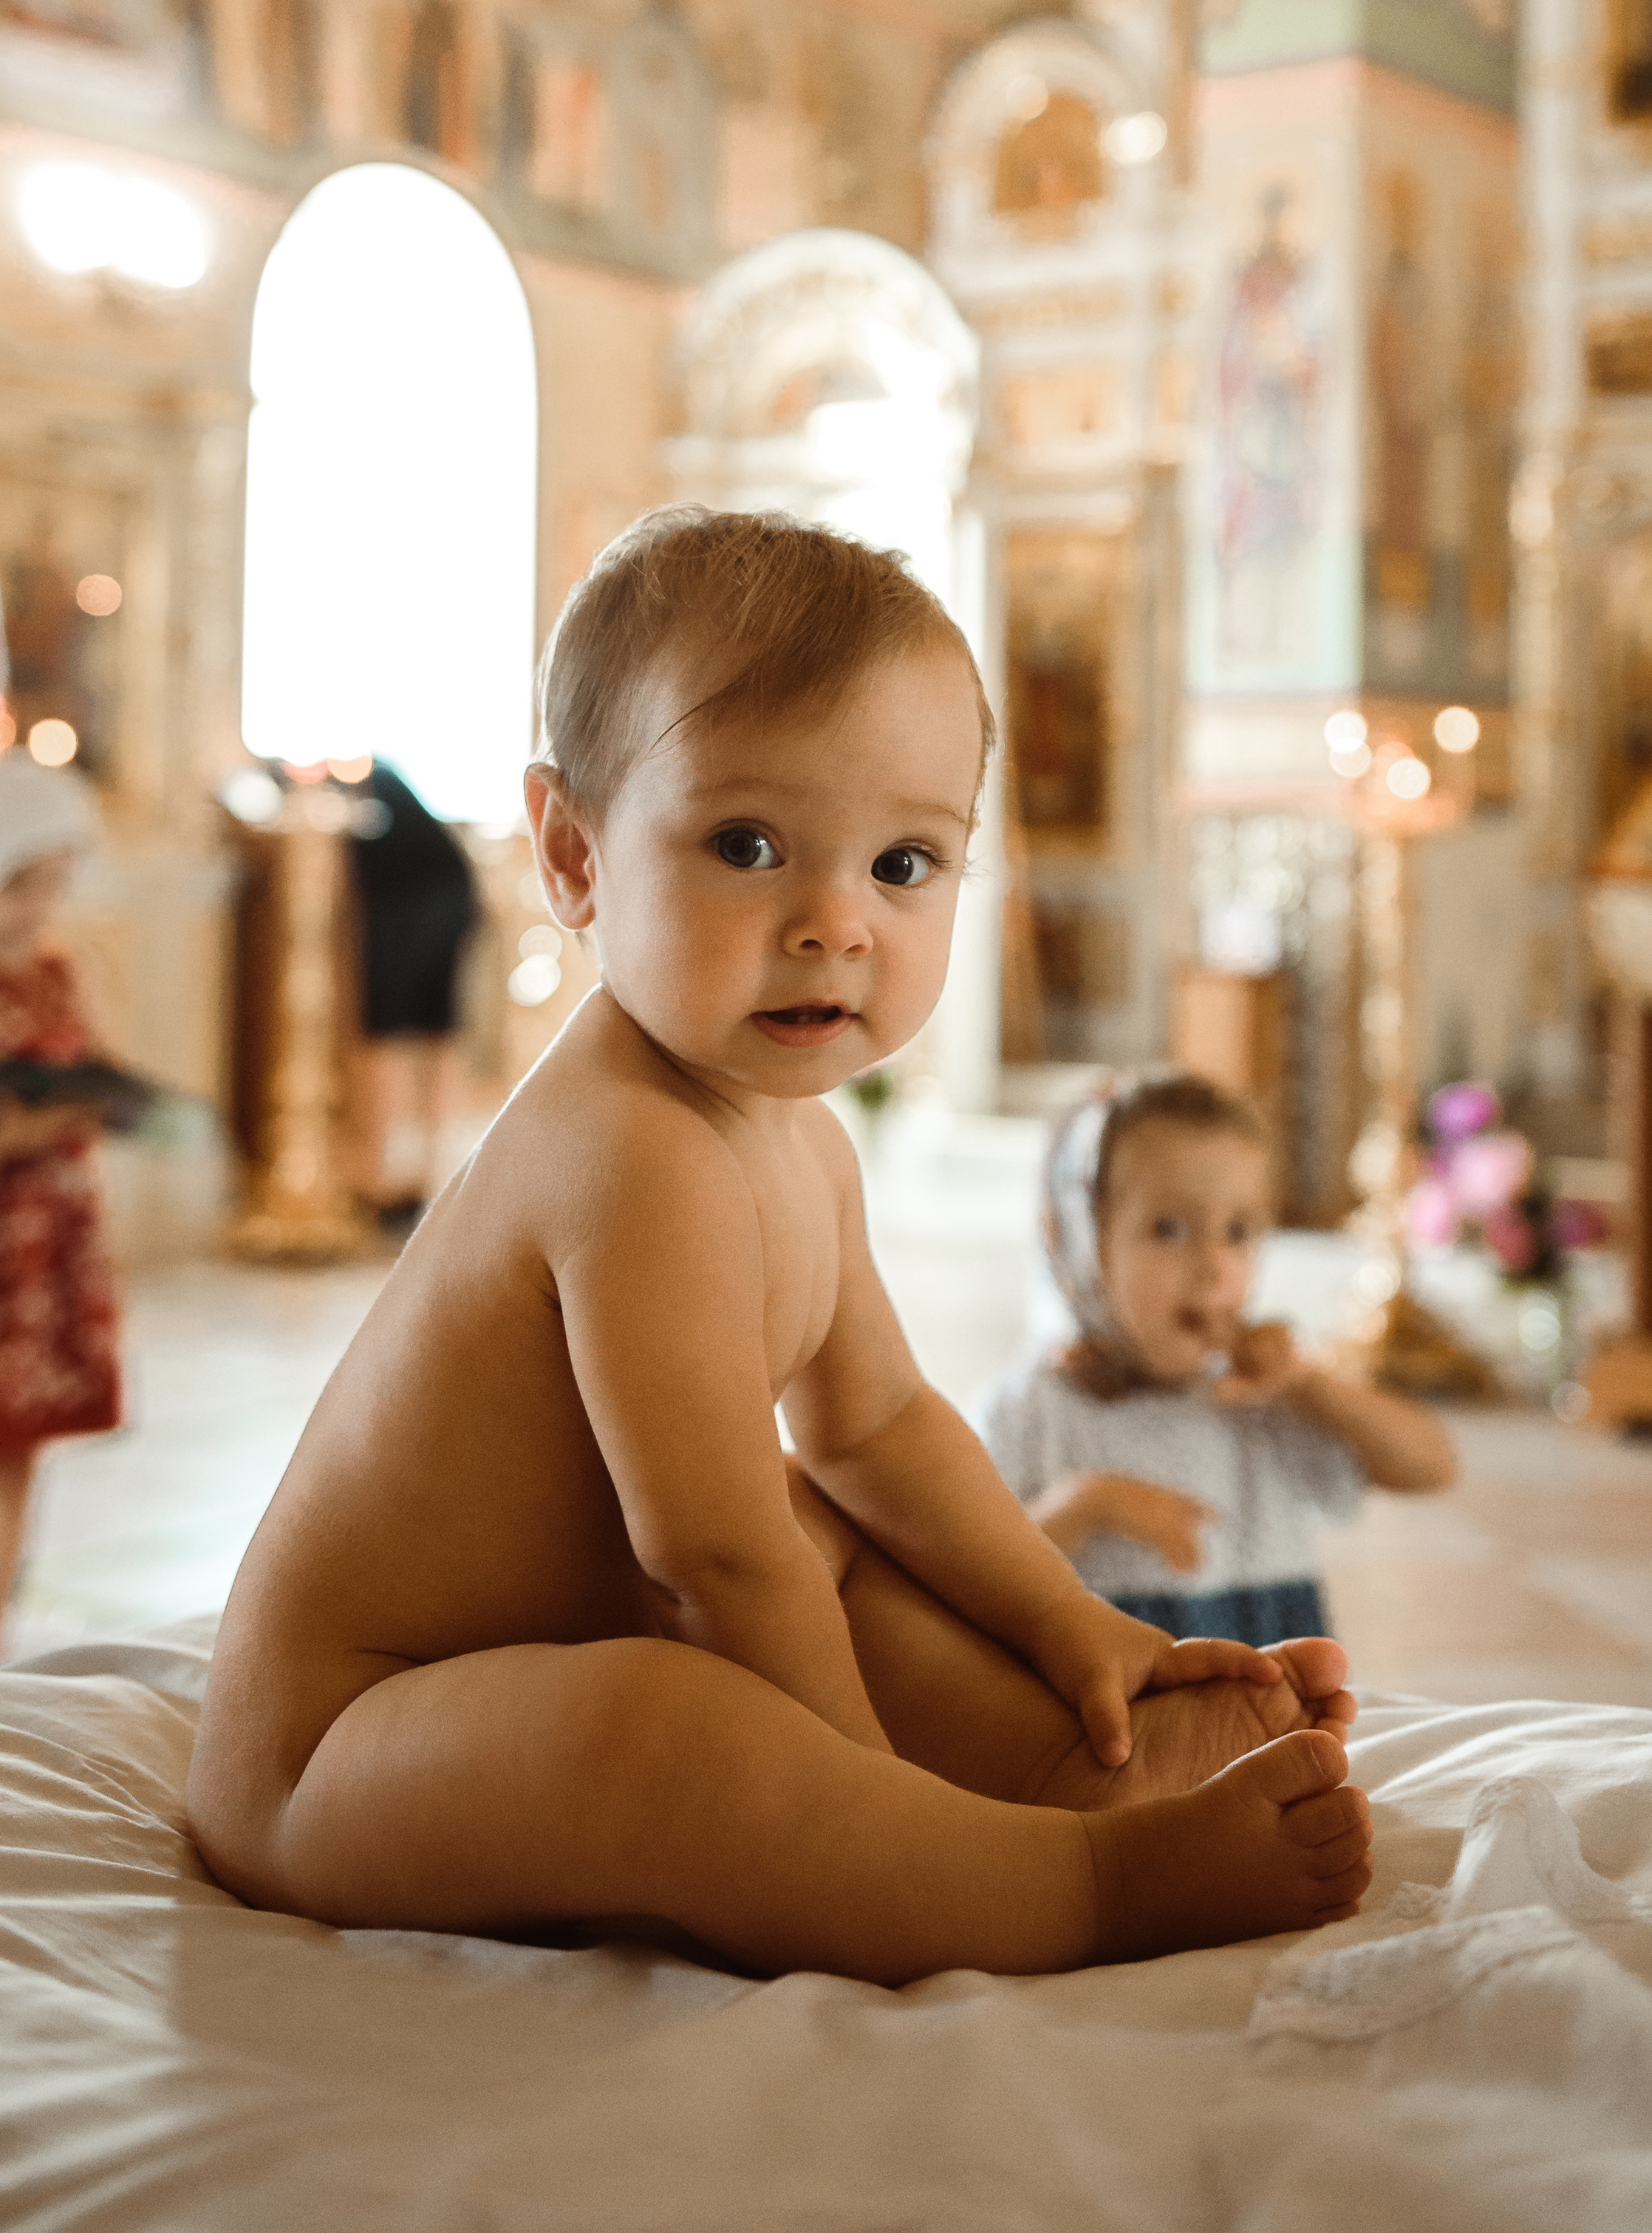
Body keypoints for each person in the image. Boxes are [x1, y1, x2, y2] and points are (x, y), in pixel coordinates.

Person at [188, 508, 1373, 1985]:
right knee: (672, 1723)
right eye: (746, 846)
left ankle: (1079, 1755)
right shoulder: (629, 1148)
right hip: (348, 1747)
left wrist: (1070, 1629)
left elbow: (877, 1423)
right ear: (573, 854)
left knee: (837, 1531)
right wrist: (871, 1812)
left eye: (903, 863)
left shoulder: (794, 1134)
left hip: (538, 1652)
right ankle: (1058, 1878)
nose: (833, 923)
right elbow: (708, 1563)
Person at [981, 1074, 1457, 1651]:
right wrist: (1084, 1507)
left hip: (1275, 1726)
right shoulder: (1031, 1412)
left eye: (1238, 1231)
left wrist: (1310, 1386)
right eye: (1169, 1229)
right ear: (1080, 1241)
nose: (1212, 1265)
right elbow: (974, 1583)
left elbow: (1432, 1468)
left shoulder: (1261, 1401)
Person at [0, 755, 122, 1632]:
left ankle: (6, 1593)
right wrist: (48, 1122)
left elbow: (100, 1065)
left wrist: (114, 1097)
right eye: (28, 887)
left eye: (56, 886)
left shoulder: (54, 966)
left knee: (24, 1436)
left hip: (51, 1238)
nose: (43, 906)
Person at [338, 759, 477, 1226]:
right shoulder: (375, 781)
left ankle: (389, 1179)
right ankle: (429, 1177)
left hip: (417, 907)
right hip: (450, 898)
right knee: (432, 1029)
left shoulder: (358, 782)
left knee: (388, 1031)